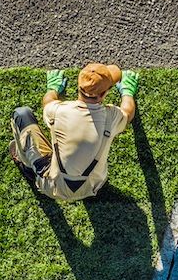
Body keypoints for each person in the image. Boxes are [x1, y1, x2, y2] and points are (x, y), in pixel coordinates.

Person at [9, 63, 139, 201]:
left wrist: (53, 88)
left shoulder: (57, 110)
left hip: (53, 187)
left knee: (22, 114)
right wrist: (127, 92)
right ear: (103, 93)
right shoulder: (111, 117)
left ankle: (28, 167)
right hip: (93, 186)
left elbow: (48, 101)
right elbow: (128, 112)